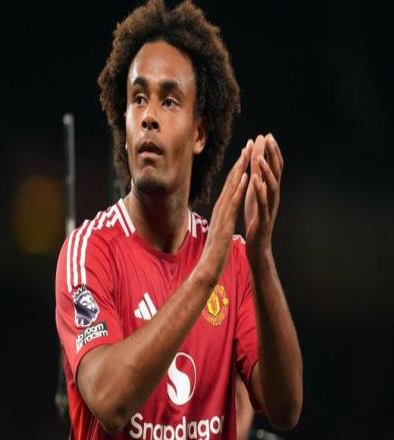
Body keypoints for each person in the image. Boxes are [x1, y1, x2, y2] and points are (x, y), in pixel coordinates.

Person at [55, 1, 303, 439]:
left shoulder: (235, 262)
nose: (149, 116)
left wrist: (261, 254)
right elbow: (110, 401)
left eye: (169, 101)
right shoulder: (89, 252)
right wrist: (206, 272)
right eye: (138, 99)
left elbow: (285, 408)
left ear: (200, 133)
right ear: (124, 122)